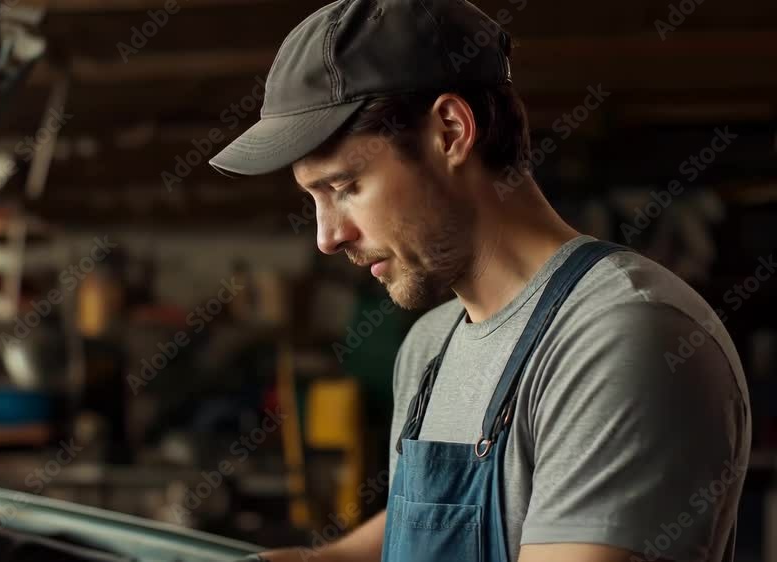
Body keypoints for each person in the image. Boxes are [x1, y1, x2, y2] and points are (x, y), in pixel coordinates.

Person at [210, 0, 751, 561]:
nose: (327, 237)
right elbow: (421, 527)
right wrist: (319, 561)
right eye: (313, 198)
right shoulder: (430, 348)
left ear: (450, 131)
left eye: (345, 187)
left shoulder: (622, 339)